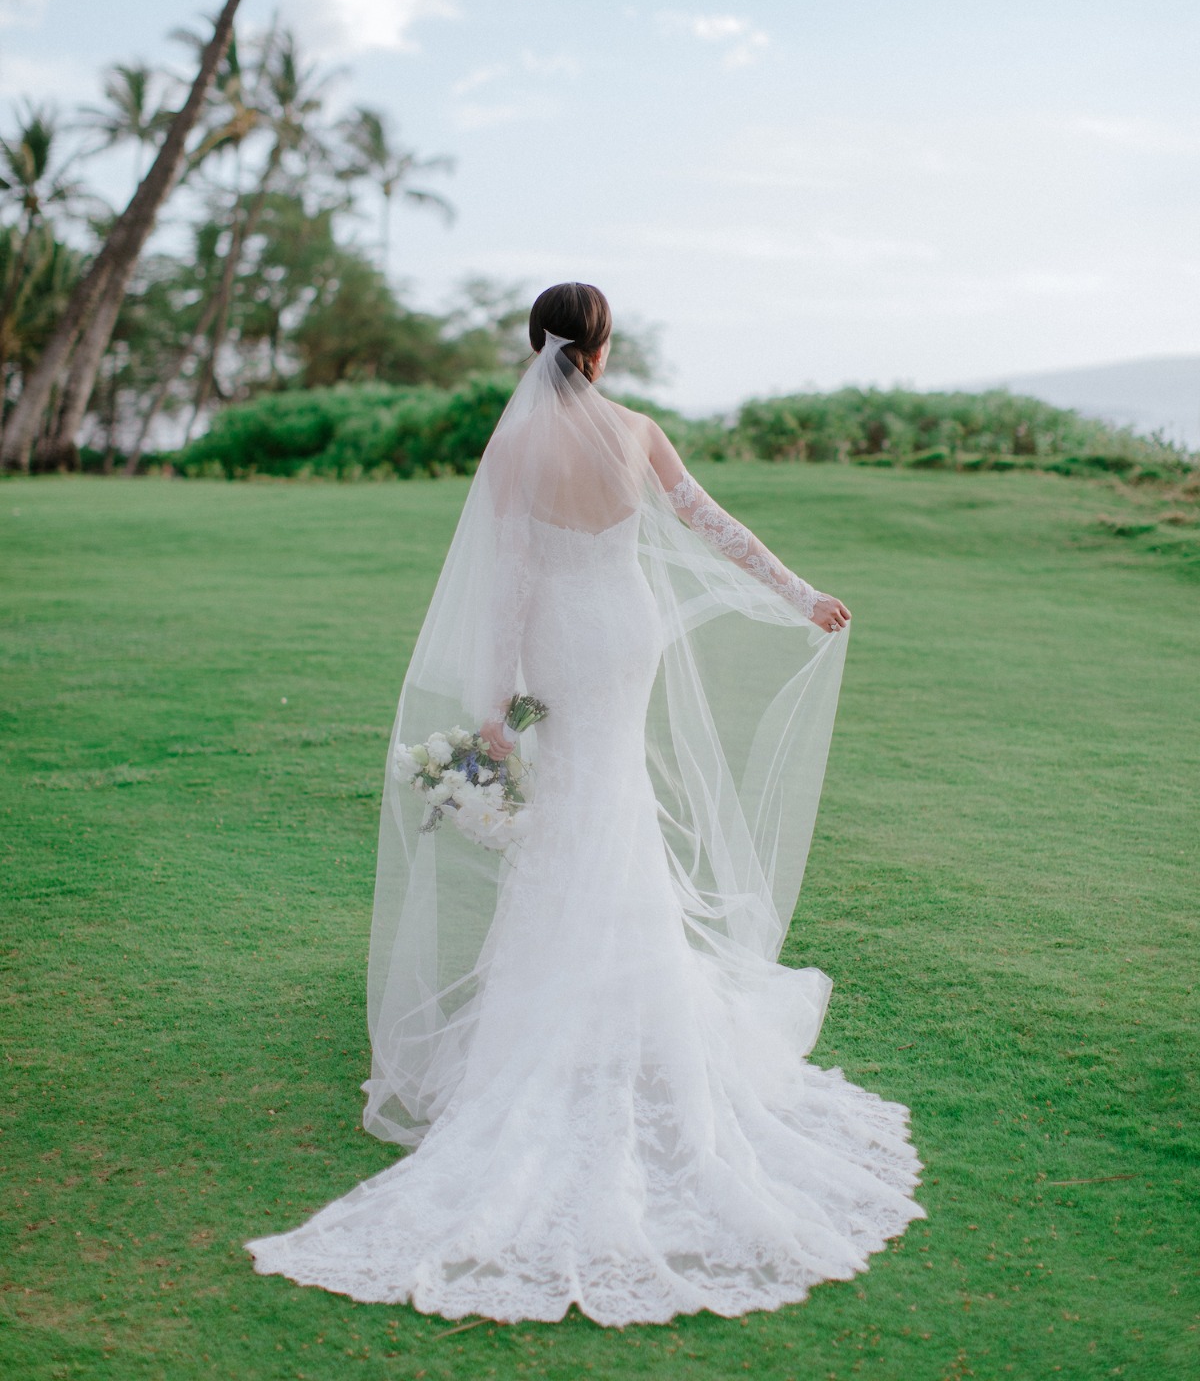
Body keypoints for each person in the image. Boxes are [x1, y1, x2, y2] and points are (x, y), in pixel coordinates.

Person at [246, 283, 923, 1324]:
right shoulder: (639, 429)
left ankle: (562, 1009)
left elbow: (510, 582)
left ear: (540, 347)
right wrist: (801, 593)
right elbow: (709, 521)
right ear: (601, 349)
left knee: (573, 814)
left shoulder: (518, 447)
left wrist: (491, 724)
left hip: (562, 642)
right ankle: (642, 1014)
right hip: (627, 634)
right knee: (616, 805)